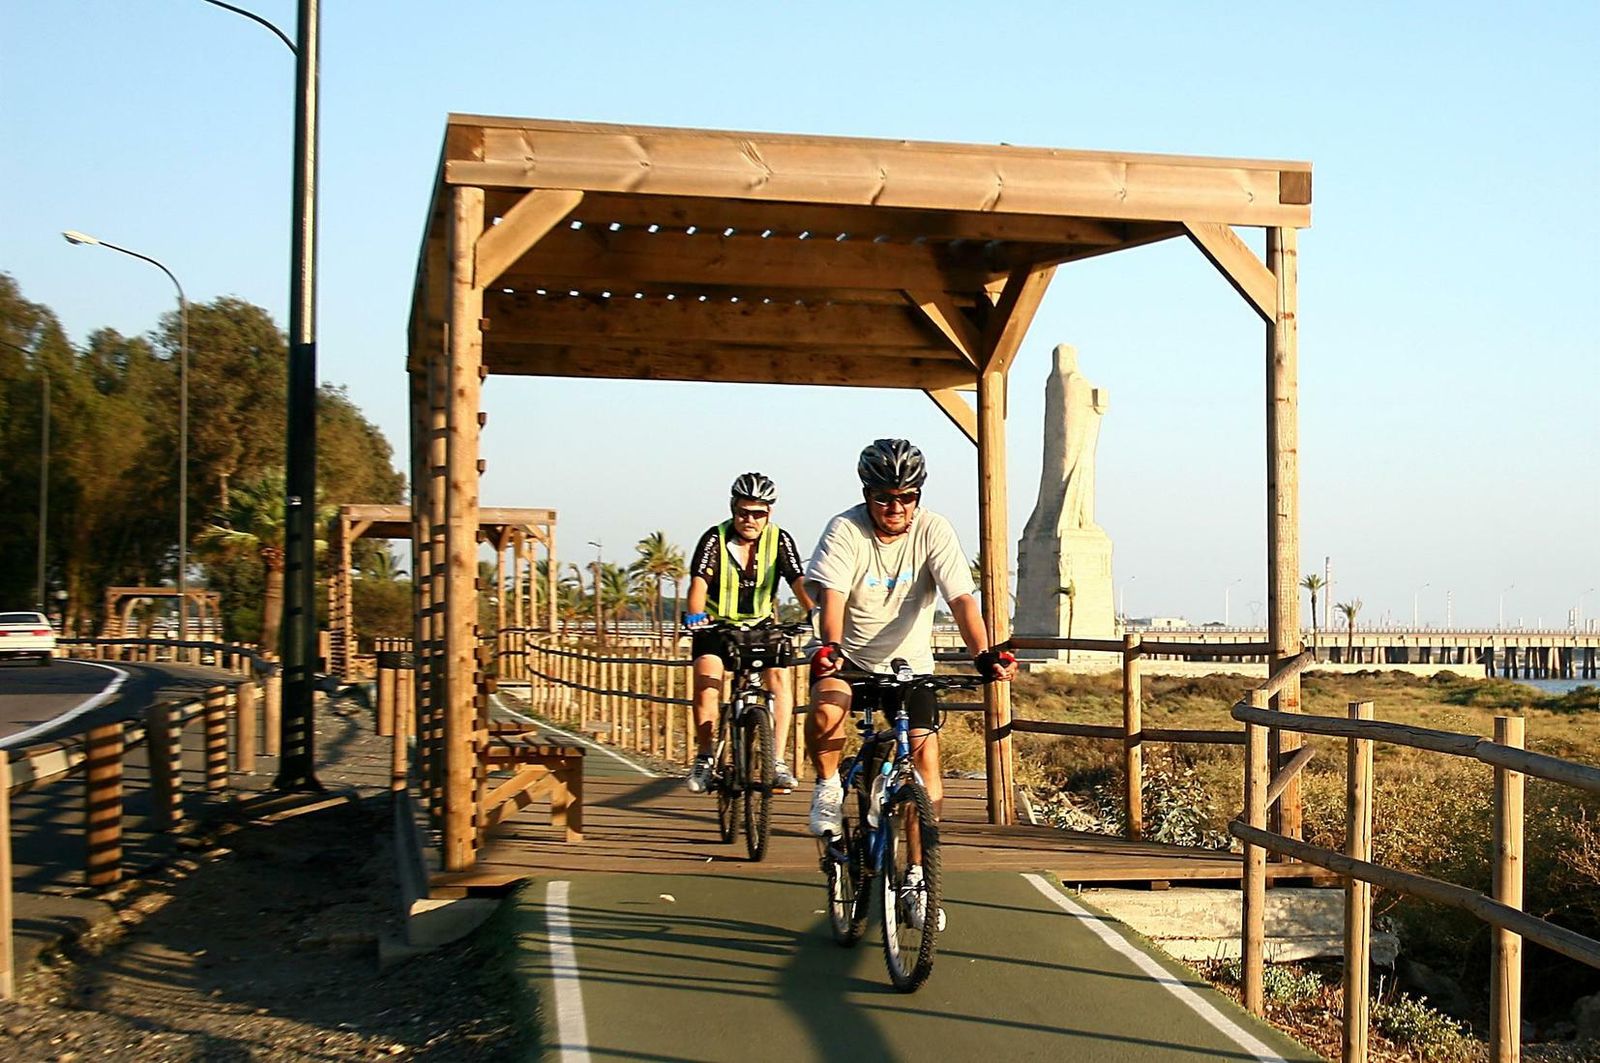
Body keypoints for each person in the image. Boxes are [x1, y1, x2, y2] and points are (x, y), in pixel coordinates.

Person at [803, 439, 1016, 929]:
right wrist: (829, 647)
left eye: (906, 497)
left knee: (925, 763)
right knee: (825, 710)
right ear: (867, 493)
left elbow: (961, 599)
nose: (895, 507)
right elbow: (831, 598)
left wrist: (983, 654)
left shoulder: (934, 530)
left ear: (918, 496)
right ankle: (829, 785)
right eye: (883, 498)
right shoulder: (845, 530)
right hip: (850, 656)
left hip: (908, 664)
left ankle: (918, 877)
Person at [682, 473, 815, 795]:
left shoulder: (779, 540)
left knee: (780, 680)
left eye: (759, 513)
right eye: (744, 512)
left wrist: (815, 612)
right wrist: (696, 615)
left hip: (760, 625)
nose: (750, 520)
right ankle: (704, 757)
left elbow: (797, 579)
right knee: (707, 680)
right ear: (733, 509)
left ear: (769, 513)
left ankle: (777, 760)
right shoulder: (714, 538)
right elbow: (699, 582)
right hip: (717, 625)